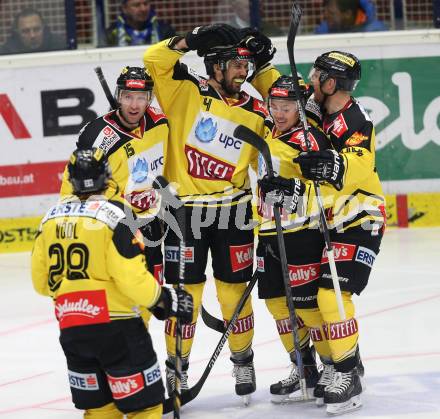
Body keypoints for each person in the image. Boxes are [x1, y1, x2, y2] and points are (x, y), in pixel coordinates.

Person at [143, 24, 274, 403]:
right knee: (186, 295)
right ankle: (177, 368)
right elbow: (153, 60)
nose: (242, 72)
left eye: (245, 66)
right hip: (183, 212)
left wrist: (264, 62)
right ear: (215, 65)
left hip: (233, 213)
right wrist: (191, 38)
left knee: (234, 294)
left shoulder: (257, 110)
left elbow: (293, 111)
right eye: (235, 64)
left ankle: (243, 357)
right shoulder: (184, 88)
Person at [31, 147, 194, 419]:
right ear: (106, 176)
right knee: (146, 407)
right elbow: (131, 279)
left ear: (70, 178)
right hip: (117, 330)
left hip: (72, 329)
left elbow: (40, 282)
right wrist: (165, 300)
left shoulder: (50, 218)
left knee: (100, 410)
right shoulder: (117, 215)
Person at [292, 50, 386, 414]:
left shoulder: (356, 120)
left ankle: (350, 374)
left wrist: (333, 162)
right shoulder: (316, 108)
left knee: (332, 295)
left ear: (331, 83)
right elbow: (282, 92)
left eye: (317, 75)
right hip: (326, 218)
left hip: (361, 217)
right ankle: (339, 363)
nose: (311, 79)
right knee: (315, 302)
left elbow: (359, 163)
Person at [60, 66, 169, 305]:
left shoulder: (161, 123)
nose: (134, 105)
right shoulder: (96, 135)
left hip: (151, 225)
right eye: (128, 97)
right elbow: (73, 185)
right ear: (118, 96)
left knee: (152, 298)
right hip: (114, 227)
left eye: (141, 98)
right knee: (120, 299)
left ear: (149, 99)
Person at [254, 75, 333, 403]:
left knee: (308, 307)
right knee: (276, 305)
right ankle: (303, 366)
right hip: (268, 231)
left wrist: (293, 189)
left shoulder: (311, 139)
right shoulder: (267, 132)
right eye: (275, 106)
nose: (280, 112)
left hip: (301, 232)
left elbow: (327, 186)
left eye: (287, 106)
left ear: (301, 107)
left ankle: (334, 365)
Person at [106, 0, 175, 47]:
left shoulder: (165, 30)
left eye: (146, 3)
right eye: (136, 5)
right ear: (124, 8)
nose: (143, 9)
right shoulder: (112, 33)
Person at [0, 7, 65, 55]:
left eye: (37, 29)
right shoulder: (7, 52)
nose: (32, 35)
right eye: (25, 31)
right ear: (17, 33)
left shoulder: (59, 46)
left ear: (43, 28)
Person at [213, 0, 285, 36]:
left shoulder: (274, 30)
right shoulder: (226, 32)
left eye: (257, 7)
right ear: (236, 8)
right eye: (248, 7)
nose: (254, 10)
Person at [315, 0, 388, 34]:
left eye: (331, 13)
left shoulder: (375, 31)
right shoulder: (323, 30)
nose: (325, 15)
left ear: (347, 14)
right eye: (325, 11)